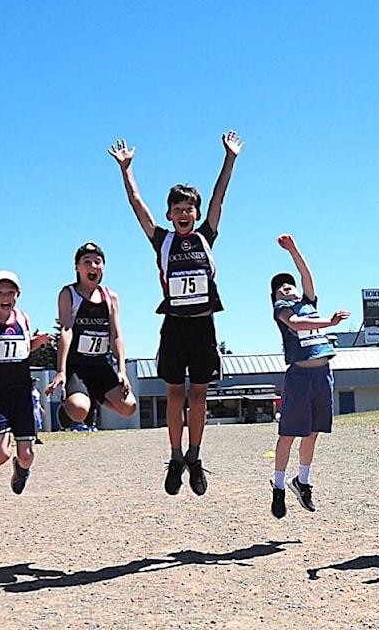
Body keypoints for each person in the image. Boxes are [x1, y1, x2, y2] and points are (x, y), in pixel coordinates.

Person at [108, 132, 243, 496]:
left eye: (189, 210)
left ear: (196, 215)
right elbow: (137, 205)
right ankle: (175, 457)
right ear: (169, 214)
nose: (184, 214)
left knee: (198, 396)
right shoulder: (162, 239)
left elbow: (219, 197)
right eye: (178, 210)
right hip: (173, 327)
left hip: (203, 328)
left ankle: (195, 458)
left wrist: (229, 160)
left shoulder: (205, 236)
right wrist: (126, 171)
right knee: (174, 396)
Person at [268, 234, 351, 518]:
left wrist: (293, 250)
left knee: (314, 433)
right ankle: (278, 486)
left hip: (323, 376)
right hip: (300, 378)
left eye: (287, 284)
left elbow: (305, 273)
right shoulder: (283, 310)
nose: (285, 287)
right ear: (276, 297)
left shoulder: (308, 301)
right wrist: (329, 321)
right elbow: (296, 324)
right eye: (279, 288)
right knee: (289, 434)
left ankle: (302, 482)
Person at [0, 271, 52, 516]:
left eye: (10, 292)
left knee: (26, 455)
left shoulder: (23, 318)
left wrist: (39, 341)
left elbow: (23, 349)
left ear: (18, 295)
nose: (6, 297)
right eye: (0, 292)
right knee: (1, 452)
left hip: (22, 395)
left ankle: (22, 470)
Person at [46, 244, 137, 435]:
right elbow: (65, 330)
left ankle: (95, 397)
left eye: (97, 262)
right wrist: (61, 371)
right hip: (77, 365)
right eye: (87, 262)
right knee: (79, 410)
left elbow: (116, 336)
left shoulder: (110, 297)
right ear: (77, 267)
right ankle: (67, 409)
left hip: (100, 365)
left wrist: (122, 370)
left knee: (129, 407)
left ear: (103, 267)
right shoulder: (68, 294)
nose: (93, 266)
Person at [31, 378, 46, 444]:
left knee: (37, 424)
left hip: (36, 409)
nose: (34, 383)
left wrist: (41, 409)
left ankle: (36, 438)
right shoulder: (28, 391)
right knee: (32, 424)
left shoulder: (36, 391)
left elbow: (37, 402)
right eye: (33, 381)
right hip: (31, 409)